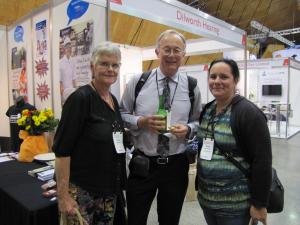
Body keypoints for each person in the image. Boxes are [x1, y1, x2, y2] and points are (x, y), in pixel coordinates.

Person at [120, 29, 202, 225]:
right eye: (167, 49)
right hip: (143, 164)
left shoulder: (191, 86)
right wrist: (141, 122)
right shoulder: (138, 82)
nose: (172, 55)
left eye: (177, 50)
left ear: (184, 54)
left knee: (170, 219)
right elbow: (121, 114)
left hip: (176, 166)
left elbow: (199, 121)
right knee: (135, 219)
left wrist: (189, 129)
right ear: (157, 52)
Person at [53, 43, 127, 225]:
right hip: (82, 193)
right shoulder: (80, 99)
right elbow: (62, 151)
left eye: (115, 65)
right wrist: (63, 196)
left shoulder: (113, 100)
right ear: (92, 67)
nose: (110, 69)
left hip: (108, 191)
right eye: (104, 63)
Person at [196, 58, 272, 225]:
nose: (217, 81)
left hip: (236, 205)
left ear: (235, 80)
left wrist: (259, 204)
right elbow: (203, 147)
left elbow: (262, 160)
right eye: (213, 76)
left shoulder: (248, 113)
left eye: (224, 77)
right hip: (207, 200)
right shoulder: (207, 110)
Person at [59, 37, 76, 104]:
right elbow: (60, 78)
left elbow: (74, 76)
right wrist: (61, 88)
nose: (69, 49)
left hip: (72, 89)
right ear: (64, 49)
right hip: (64, 89)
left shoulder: (73, 60)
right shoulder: (60, 62)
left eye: (70, 47)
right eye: (67, 47)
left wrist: (75, 88)